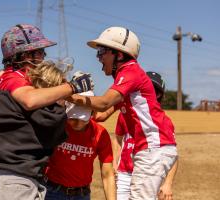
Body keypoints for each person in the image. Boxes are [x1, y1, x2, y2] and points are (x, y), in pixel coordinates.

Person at [67, 26, 178, 200]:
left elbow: (103, 103)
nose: (99, 57)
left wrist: (67, 93)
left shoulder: (131, 72)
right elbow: (101, 115)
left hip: (153, 147)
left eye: (102, 52)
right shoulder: (125, 79)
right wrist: (82, 103)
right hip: (149, 148)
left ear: (119, 54)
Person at [0, 61, 74, 200]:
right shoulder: (54, 116)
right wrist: (64, 95)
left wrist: (1, 75)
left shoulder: (3, 99)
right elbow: (56, 139)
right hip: (19, 184)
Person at [96, 71, 178, 200]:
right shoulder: (125, 112)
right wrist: (115, 163)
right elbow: (116, 137)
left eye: (152, 90)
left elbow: (172, 155)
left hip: (147, 171)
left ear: (159, 95)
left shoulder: (163, 122)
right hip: (124, 173)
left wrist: (168, 184)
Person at [0, 24, 93, 110]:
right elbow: (30, 100)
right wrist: (73, 86)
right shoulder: (13, 78)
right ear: (26, 55)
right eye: (40, 52)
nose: (43, 56)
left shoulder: (7, 76)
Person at [44, 91, 116, 200]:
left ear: (92, 112)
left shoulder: (100, 134)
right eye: (73, 118)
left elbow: (107, 174)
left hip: (82, 195)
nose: (77, 123)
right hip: (52, 192)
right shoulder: (58, 126)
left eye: (82, 119)